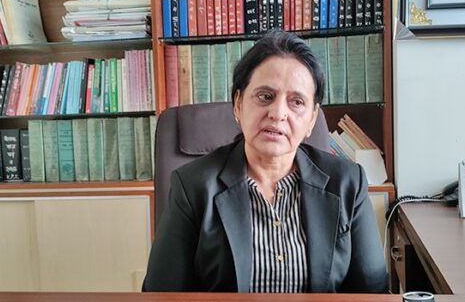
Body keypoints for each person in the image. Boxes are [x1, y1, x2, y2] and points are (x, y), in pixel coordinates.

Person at [143, 30, 388, 293]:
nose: (278, 113)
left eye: (296, 102)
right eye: (265, 96)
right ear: (238, 104)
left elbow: (372, 293)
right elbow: (162, 294)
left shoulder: (347, 183)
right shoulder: (192, 186)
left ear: (312, 119)